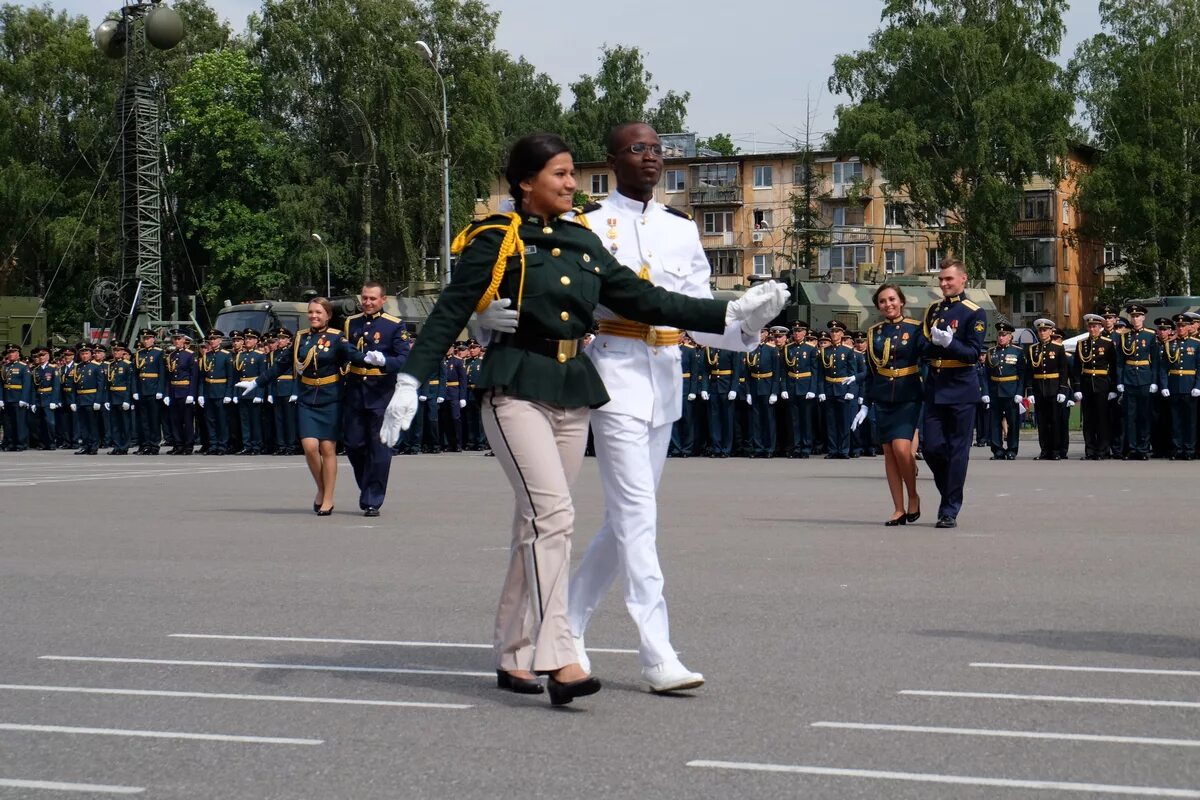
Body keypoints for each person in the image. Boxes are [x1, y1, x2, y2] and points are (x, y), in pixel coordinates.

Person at [380, 132, 786, 705]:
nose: (573, 185)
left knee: (535, 523)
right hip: (522, 384)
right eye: (562, 175)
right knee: (559, 516)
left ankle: (514, 651)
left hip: (575, 389)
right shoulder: (500, 238)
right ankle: (564, 654)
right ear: (527, 183)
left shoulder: (581, 238)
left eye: (574, 175)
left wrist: (733, 310)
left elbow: (648, 300)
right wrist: (410, 379)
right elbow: (453, 308)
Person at [239, 298, 380, 514]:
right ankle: (321, 489)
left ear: (328, 315)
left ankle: (328, 498)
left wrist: (372, 359)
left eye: (319, 312)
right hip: (307, 398)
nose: (314, 316)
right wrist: (257, 383)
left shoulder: (336, 338)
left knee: (327, 448)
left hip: (330, 398)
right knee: (310, 447)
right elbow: (281, 365)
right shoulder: (300, 338)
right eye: (311, 312)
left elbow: (354, 355)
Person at [921, 258, 987, 528]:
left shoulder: (974, 312)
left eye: (949, 279)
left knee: (958, 451)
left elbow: (972, 353)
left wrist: (950, 343)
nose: (944, 284)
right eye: (941, 279)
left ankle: (949, 509)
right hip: (936, 385)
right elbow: (924, 346)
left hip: (960, 386)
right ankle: (949, 492)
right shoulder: (933, 310)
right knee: (932, 447)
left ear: (963, 279)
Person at [857, 284, 924, 525]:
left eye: (892, 299)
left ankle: (913, 496)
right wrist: (865, 404)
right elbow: (871, 372)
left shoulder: (916, 329)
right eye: (883, 301)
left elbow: (925, 362)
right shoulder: (874, 332)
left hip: (908, 395)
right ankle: (898, 507)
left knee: (901, 448)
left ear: (902, 301)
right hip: (883, 396)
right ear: (878, 306)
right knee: (888, 452)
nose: (889, 304)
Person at [342, 283, 410, 514]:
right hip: (355, 392)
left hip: (381, 393)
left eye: (372, 298)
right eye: (364, 298)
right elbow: (346, 352)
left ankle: (373, 499)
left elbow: (404, 359)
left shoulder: (393, 325)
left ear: (383, 300)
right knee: (353, 445)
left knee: (380, 450)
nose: (368, 302)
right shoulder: (352, 322)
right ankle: (367, 487)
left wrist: (384, 363)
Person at [1070, 313, 1117, 460]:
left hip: (1102, 384)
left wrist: (1113, 388)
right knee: (1088, 420)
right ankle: (1090, 450)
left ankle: (1102, 450)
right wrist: (1077, 388)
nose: (1092, 329)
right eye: (1090, 326)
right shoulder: (1081, 344)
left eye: (1095, 326)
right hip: (1086, 384)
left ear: (1101, 327)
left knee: (1102, 419)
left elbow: (1114, 367)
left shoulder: (1108, 344)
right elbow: (1076, 368)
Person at [1115, 304, 1159, 460]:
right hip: (1129, 379)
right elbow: (1120, 361)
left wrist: (1154, 381)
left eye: (1138, 316)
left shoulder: (1150, 335)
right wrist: (1120, 381)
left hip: (1145, 379)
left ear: (1143, 317)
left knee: (1144, 416)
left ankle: (1143, 448)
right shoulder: (1124, 336)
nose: (1135, 319)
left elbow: (1155, 361)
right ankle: (1133, 448)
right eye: (1132, 316)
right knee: (1130, 416)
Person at [1022, 319, 1070, 460]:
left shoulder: (1057, 348)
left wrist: (1062, 389)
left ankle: (1055, 450)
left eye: (1045, 330)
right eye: (1040, 330)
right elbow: (1029, 372)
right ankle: (1044, 450)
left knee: (1055, 420)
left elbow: (1063, 370)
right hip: (1039, 388)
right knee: (1042, 422)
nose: (1042, 333)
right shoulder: (1033, 349)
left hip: (1054, 388)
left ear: (1050, 331)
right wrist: (1030, 391)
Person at [1159, 313, 1199, 460]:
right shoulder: (1169, 344)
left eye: (1183, 326)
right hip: (1174, 386)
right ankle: (1177, 448)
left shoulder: (1196, 344)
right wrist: (1164, 385)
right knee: (1175, 421)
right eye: (1178, 326)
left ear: (1189, 327)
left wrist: (1198, 385)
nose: (1180, 328)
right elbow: (1163, 367)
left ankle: (1189, 449)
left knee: (1190, 421)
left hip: (1190, 387)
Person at [984, 322, 1025, 460]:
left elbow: (1022, 374)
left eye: (1004, 335)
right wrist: (985, 393)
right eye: (999, 335)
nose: (1001, 337)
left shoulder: (1017, 351)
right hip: (995, 391)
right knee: (995, 422)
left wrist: (1020, 392)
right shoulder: (991, 352)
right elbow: (986, 375)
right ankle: (997, 450)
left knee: (1012, 422)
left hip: (1011, 391)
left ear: (1010, 337)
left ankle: (1012, 449)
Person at [819, 320, 859, 459]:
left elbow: (852, 373)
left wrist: (850, 391)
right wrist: (822, 391)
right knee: (831, 422)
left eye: (837, 331)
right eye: (832, 331)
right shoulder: (825, 351)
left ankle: (844, 450)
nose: (834, 334)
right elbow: (821, 373)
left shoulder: (847, 351)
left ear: (842, 334)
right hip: (829, 389)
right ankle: (833, 449)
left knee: (844, 421)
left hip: (843, 389)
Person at [198, 329, 234, 455]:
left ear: (220, 340)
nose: (212, 341)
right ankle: (213, 445)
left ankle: (222, 445)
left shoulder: (226, 355)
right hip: (209, 392)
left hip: (221, 391)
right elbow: (202, 378)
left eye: (214, 339)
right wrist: (201, 394)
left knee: (222, 421)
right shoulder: (206, 356)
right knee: (210, 420)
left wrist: (228, 394)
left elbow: (230, 377)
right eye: (210, 339)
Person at [164, 331, 198, 455]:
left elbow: (194, 376)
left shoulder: (190, 355)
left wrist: (191, 394)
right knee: (175, 420)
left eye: (179, 339)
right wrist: (167, 394)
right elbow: (169, 376)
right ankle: (178, 444)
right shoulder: (171, 356)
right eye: (175, 339)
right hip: (173, 391)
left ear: (184, 340)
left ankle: (188, 446)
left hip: (185, 390)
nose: (177, 341)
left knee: (187, 421)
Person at [69, 344, 105, 455]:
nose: (84, 356)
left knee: (92, 424)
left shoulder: (96, 366)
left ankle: (94, 446)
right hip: (80, 399)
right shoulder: (78, 367)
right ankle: (85, 445)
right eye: (82, 354)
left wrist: (98, 401)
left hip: (91, 398)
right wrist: (73, 401)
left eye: (86, 353)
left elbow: (100, 386)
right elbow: (74, 386)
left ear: (91, 354)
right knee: (83, 425)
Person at [1, 344, 32, 451]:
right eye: (9, 352)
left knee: (19, 423)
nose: (11, 354)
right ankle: (10, 442)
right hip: (7, 398)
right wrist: (1, 398)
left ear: (18, 354)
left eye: (13, 352)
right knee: (8, 423)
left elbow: (27, 384)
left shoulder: (23, 367)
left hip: (18, 398)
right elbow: (2, 384)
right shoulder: (5, 367)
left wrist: (24, 398)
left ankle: (20, 443)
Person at [30, 346, 60, 450]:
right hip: (39, 399)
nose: (41, 357)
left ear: (48, 356)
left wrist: (54, 401)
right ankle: (42, 443)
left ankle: (51, 443)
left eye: (43, 355)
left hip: (48, 398)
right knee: (39, 423)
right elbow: (34, 387)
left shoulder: (53, 369)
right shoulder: (36, 370)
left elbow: (56, 386)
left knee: (50, 423)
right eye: (39, 356)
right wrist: (33, 402)